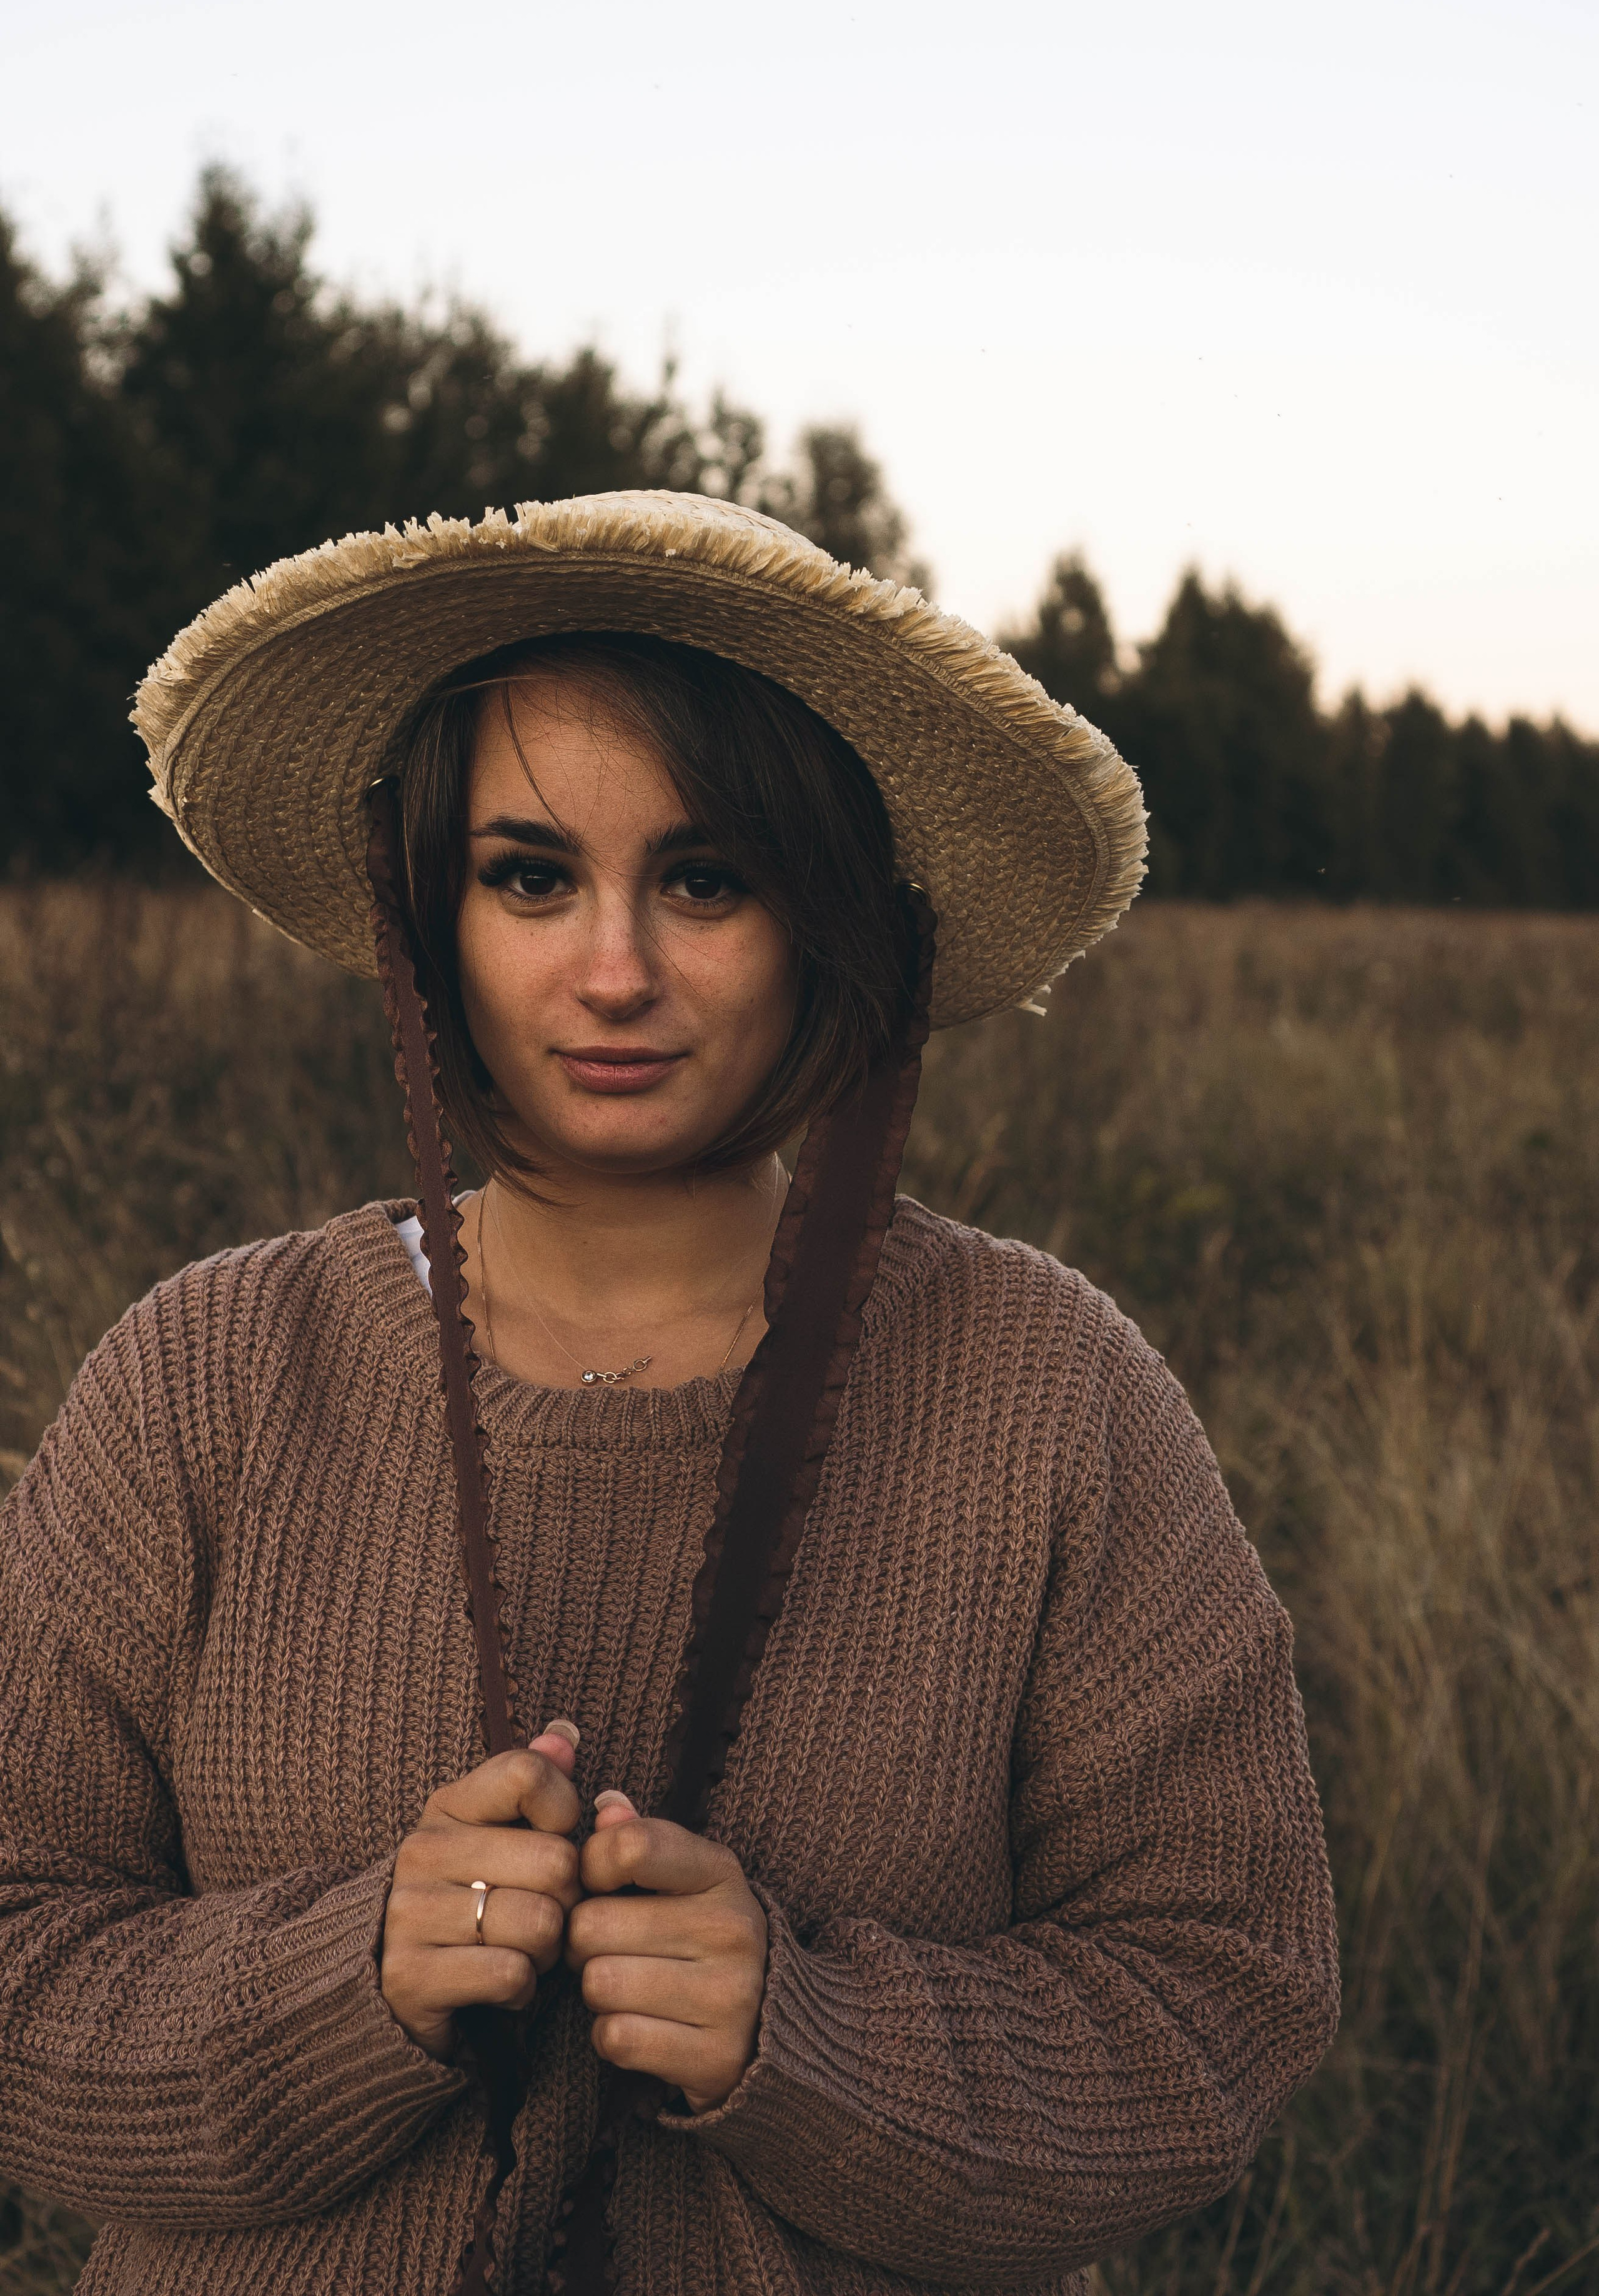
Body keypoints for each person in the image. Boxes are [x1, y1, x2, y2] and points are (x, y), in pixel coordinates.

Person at [0, 492, 1339, 2296]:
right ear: (429, 916)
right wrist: (351, 1979)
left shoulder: (1048, 1394)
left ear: (829, 922)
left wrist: (813, 2036)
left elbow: (1219, 2006)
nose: (613, 968)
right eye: (529, 876)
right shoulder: (206, 1380)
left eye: (707, 880)